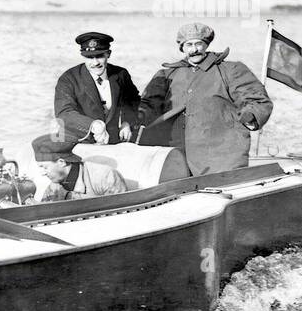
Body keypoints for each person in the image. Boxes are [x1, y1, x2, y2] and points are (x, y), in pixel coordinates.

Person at [138, 22, 273, 175]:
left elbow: (256, 99)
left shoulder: (230, 70)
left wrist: (250, 116)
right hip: (174, 153)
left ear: (206, 45)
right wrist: (134, 119)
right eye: (189, 44)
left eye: (199, 44)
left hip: (220, 154)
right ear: (182, 47)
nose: (194, 49)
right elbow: (148, 105)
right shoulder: (167, 74)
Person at [31, 30, 141, 164]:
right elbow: (64, 113)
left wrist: (127, 122)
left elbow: (134, 101)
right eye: (89, 57)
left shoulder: (121, 74)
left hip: (111, 143)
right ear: (83, 56)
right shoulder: (68, 79)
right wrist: (92, 125)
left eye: (100, 56)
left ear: (108, 54)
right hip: (77, 142)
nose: (95, 62)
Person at [36, 154, 128, 201]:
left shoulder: (105, 176)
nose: (42, 173)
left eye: (45, 167)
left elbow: (120, 216)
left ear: (61, 162)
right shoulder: (54, 187)